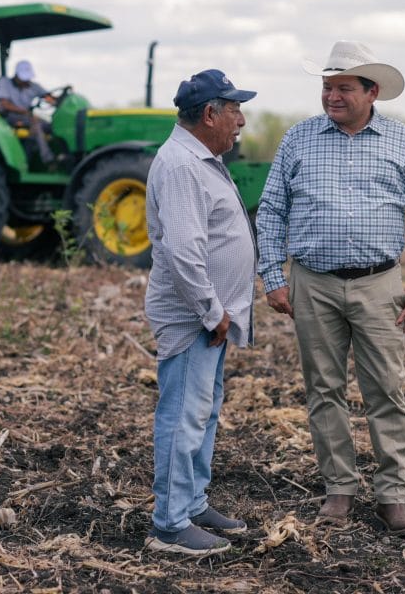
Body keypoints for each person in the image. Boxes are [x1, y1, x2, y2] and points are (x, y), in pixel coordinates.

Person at [256, 40, 405, 537]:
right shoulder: (299, 139)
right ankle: (338, 489)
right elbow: (271, 209)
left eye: (343, 87)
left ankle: (393, 497)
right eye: (326, 86)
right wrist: (273, 276)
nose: (332, 96)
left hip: (380, 285)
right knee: (324, 390)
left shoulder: (403, 142)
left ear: (372, 91)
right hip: (312, 284)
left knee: (386, 389)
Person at [144, 68, 258, 557]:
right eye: (234, 110)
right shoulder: (181, 166)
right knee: (183, 417)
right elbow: (184, 251)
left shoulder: (201, 159)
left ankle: (192, 503)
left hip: (209, 318)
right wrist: (213, 313)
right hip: (195, 318)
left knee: (202, 414)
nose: (241, 121)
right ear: (210, 113)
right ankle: (169, 525)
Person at [0, 59, 56, 164]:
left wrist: (54, 99)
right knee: (36, 125)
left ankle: (59, 156)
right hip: (10, 116)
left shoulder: (32, 86)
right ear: (16, 75)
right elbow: (4, 104)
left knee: (52, 126)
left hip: (28, 117)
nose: (25, 81)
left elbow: (49, 97)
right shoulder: (4, 83)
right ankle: (48, 160)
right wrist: (26, 112)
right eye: (23, 78)